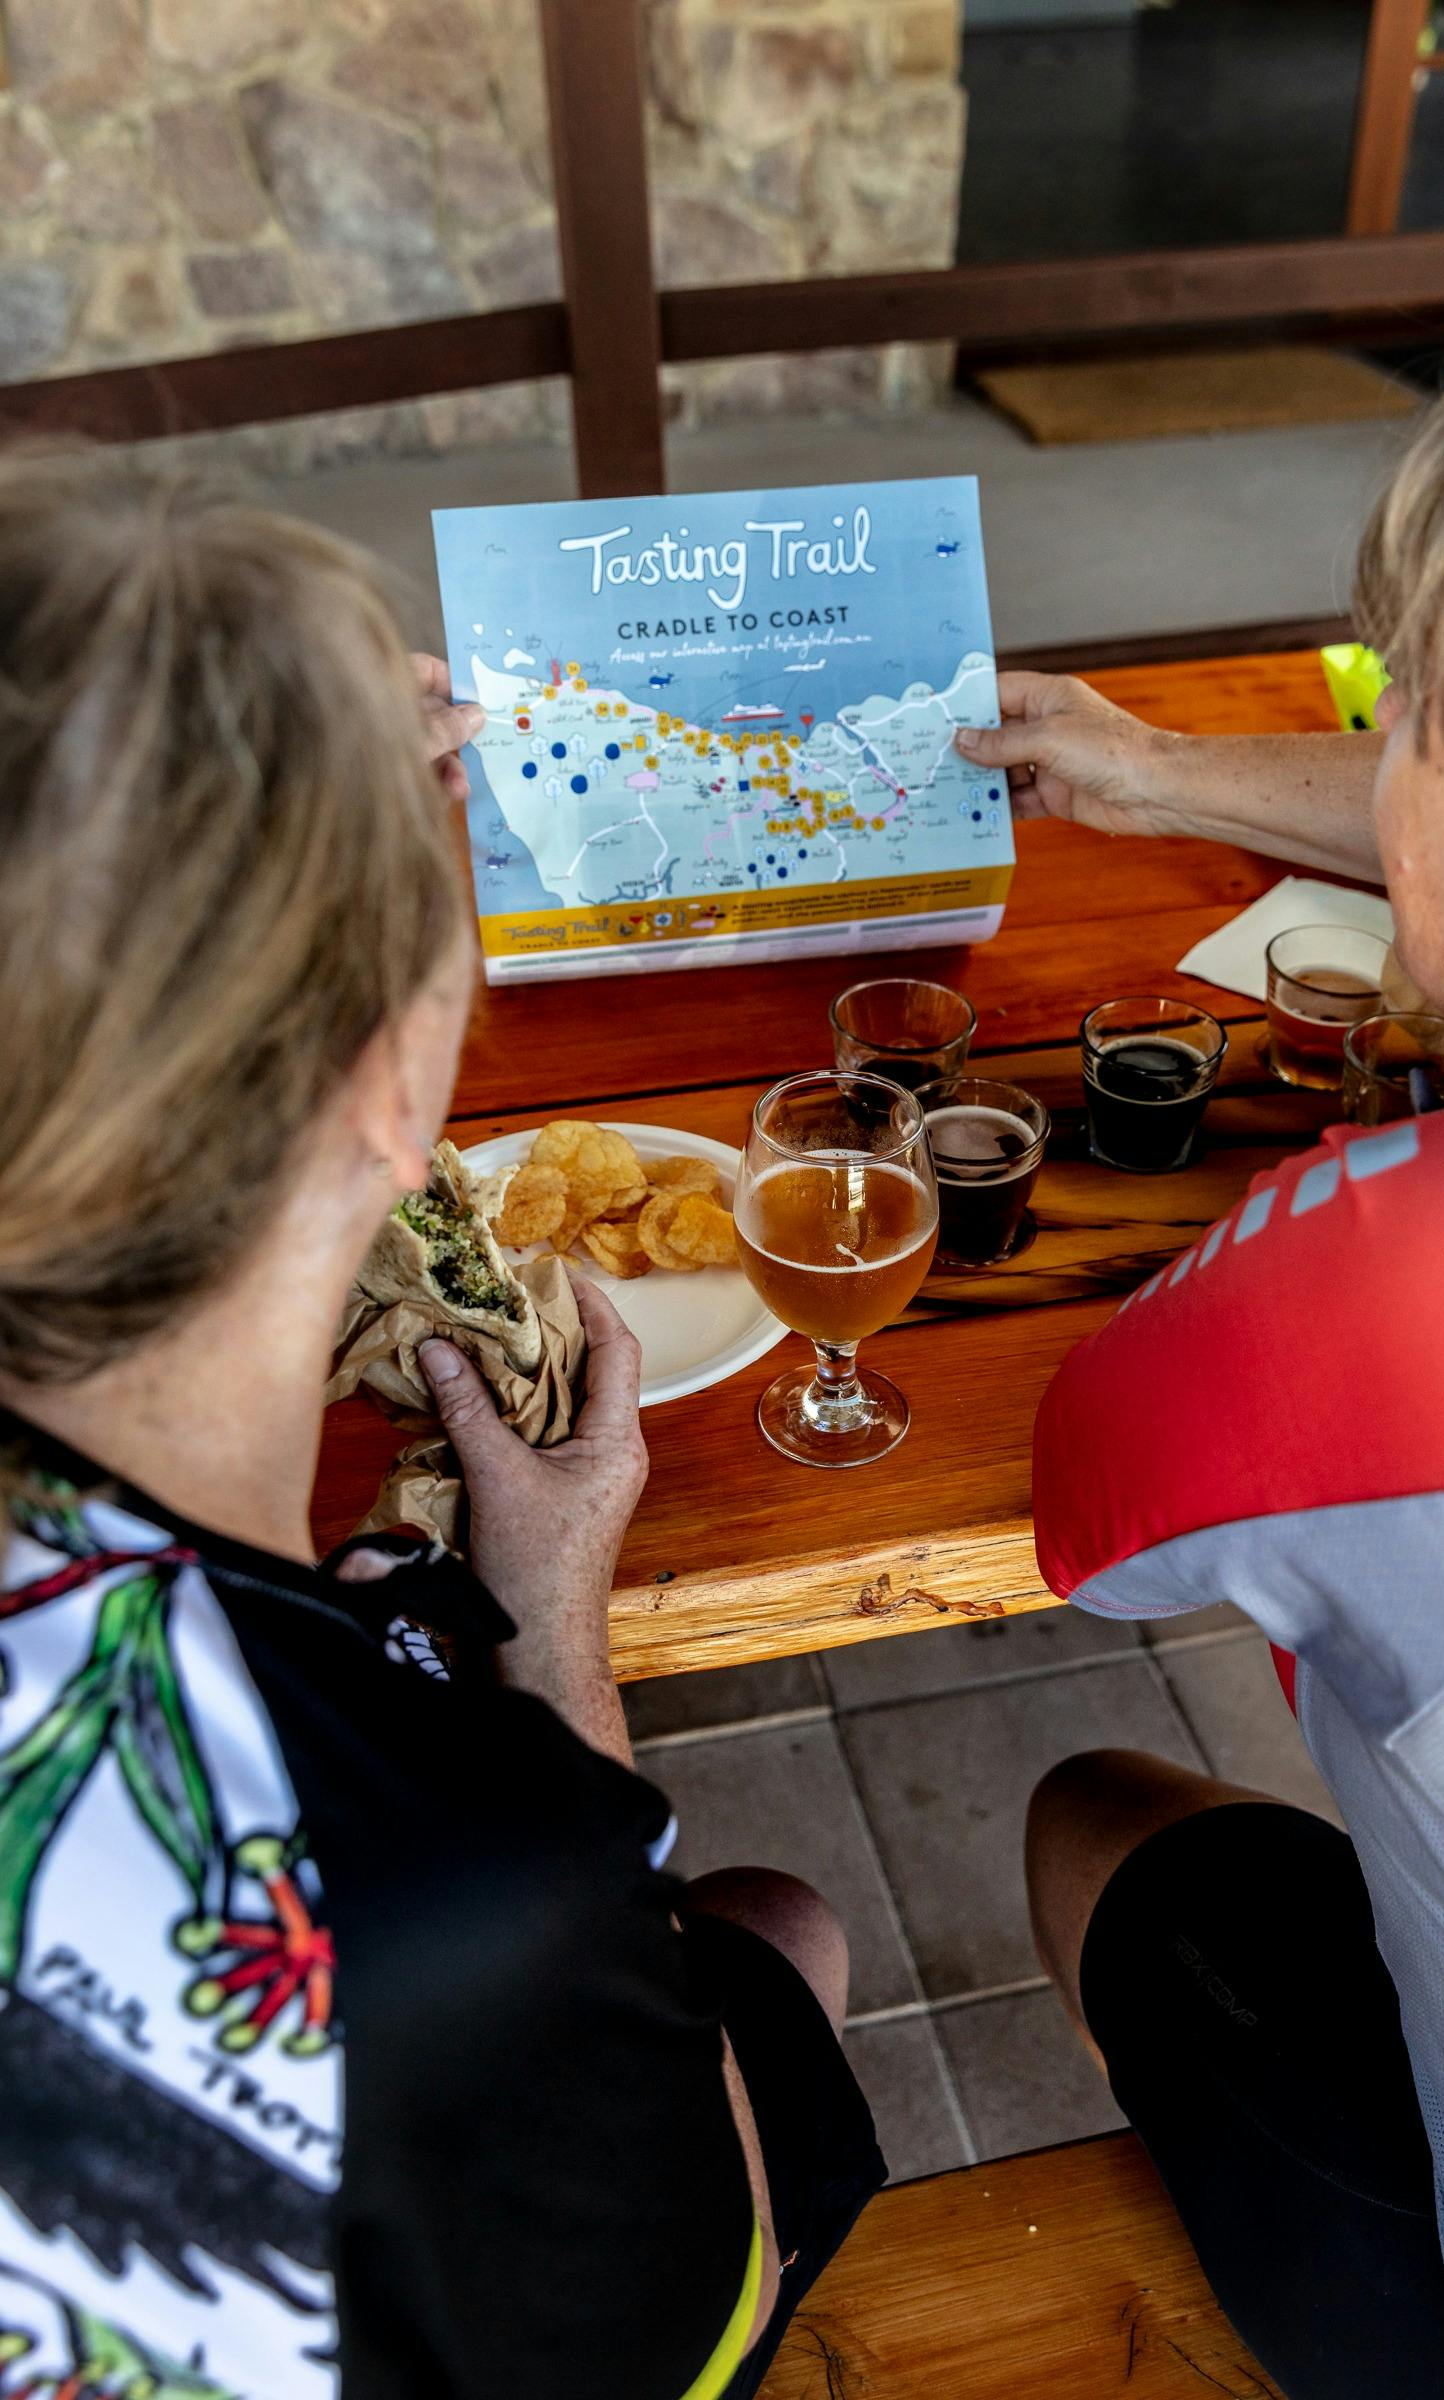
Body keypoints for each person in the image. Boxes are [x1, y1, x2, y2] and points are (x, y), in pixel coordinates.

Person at [0, 453, 882, 2400]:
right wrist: (553, 1620)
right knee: (781, 1936)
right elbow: (695, 2285)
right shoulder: (415, 1877)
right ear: (389, 1086)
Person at [956, 291, 1444, 2399]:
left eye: (1407, 701)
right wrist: (1147, 774)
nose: (1384, 735)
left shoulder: (1403, 1288)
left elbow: (1085, 1522)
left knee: (1088, 1818)